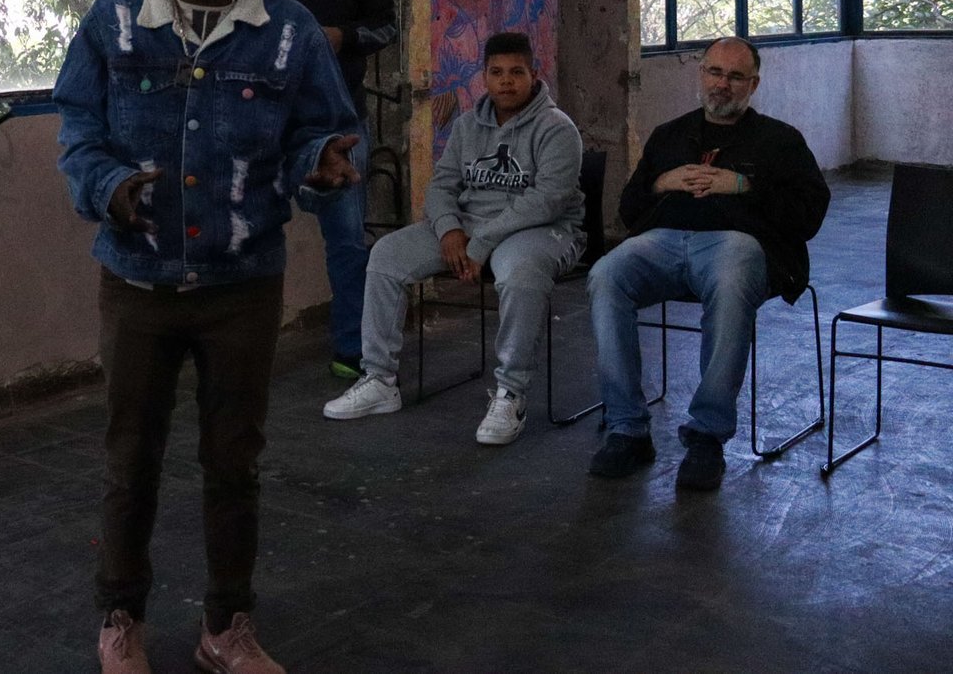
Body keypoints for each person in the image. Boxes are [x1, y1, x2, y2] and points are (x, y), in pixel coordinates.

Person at [55, 0, 360, 674]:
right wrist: (108, 186)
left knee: (233, 463)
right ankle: (121, 617)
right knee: (130, 462)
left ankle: (226, 626)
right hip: (136, 283)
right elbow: (78, 130)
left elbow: (322, 127)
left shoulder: (287, 31)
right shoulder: (115, 22)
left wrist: (319, 164)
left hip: (241, 287)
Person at [585, 36, 830, 492]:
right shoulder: (669, 135)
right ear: (700, 74)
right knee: (606, 275)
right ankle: (627, 429)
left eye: (736, 76)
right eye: (715, 72)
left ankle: (707, 436)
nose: (722, 84)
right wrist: (662, 182)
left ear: (753, 84)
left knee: (733, 277)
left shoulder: (780, 141)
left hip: (738, 244)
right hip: (664, 240)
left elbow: (809, 215)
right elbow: (629, 210)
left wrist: (744, 186)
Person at [322, 31, 585, 445]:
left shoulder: (557, 129)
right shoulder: (467, 126)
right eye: (496, 72)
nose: (506, 81)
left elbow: (546, 202)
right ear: (484, 77)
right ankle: (380, 380)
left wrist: (478, 243)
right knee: (387, 255)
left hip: (538, 229)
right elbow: (442, 185)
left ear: (534, 75)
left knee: (521, 273)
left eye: (516, 72)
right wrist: (449, 229)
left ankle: (511, 393)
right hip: (467, 225)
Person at [243, 0, 397, 379]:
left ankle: (353, 351)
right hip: (260, 123)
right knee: (247, 235)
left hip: (339, 124)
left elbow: (386, 24)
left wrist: (343, 36)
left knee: (348, 240)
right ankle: (240, 350)